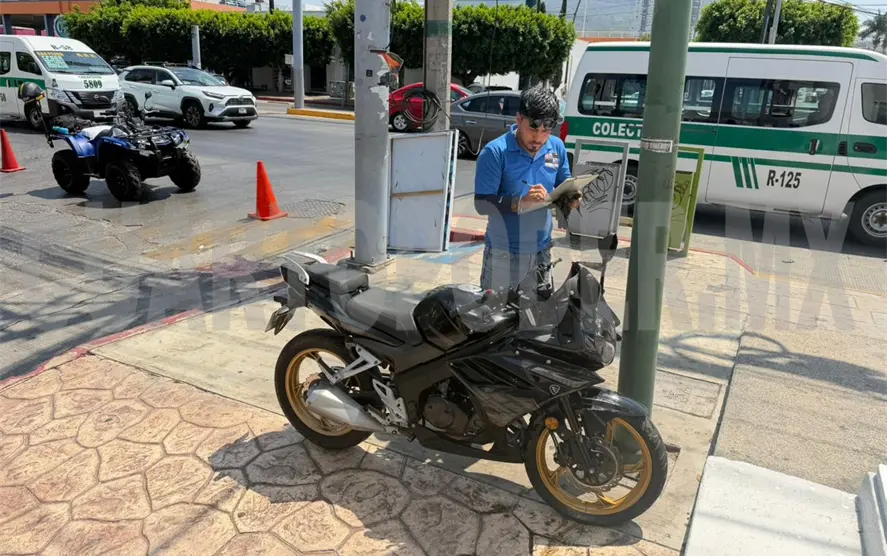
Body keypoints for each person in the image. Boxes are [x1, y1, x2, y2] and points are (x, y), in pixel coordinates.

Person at [474, 85, 576, 295]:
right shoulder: (495, 152)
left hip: (541, 251)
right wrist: (521, 203)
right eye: (533, 129)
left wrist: (572, 196)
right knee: (495, 312)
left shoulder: (555, 148)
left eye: (546, 130)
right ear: (519, 119)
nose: (538, 138)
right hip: (504, 253)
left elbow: (564, 181)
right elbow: (482, 204)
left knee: (539, 311)